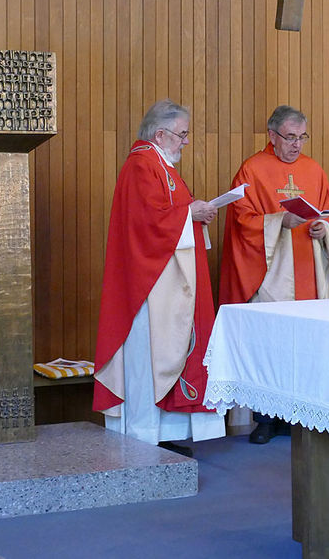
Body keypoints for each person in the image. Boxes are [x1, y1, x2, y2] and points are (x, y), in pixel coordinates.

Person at [93, 100, 225, 450]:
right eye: (182, 135)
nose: (185, 142)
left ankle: (164, 435)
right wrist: (189, 214)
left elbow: (168, 213)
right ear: (160, 134)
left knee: (170, 352)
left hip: (168, 280)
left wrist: (195, 214)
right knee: (149, 356)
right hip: (148, 284)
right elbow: (145, 223)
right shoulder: (142, 164)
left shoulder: (160, 164)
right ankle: (142, 435)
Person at [219, 105, 329, 443]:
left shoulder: (313, 170)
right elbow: (240, 218)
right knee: (271, 344)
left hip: (308, 270)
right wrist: (277, 222)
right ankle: (267, 419)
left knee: (306, 344)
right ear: (271, 136)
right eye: (290, 137)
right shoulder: (252, 170)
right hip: (271, 273)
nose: (297, 145)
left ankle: (301, 415)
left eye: (302, 137)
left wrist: (323, 228)